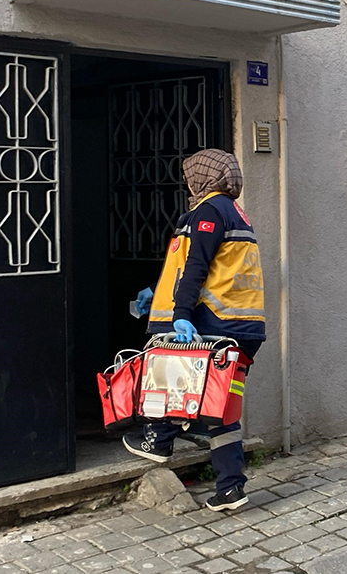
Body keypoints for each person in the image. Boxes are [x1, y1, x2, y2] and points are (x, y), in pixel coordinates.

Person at [123, 149, 265, 512]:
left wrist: (181, 313)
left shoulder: (208, 212)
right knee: (221, 409)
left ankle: (158, 439)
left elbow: (197, 266)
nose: (188, 183)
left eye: (190, 176)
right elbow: (213, 268)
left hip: (215, 324)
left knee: (168, 378)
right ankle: (231, 488)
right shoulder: (235, 214)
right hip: (245, 328)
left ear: (203, 178)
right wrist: (156, 291)